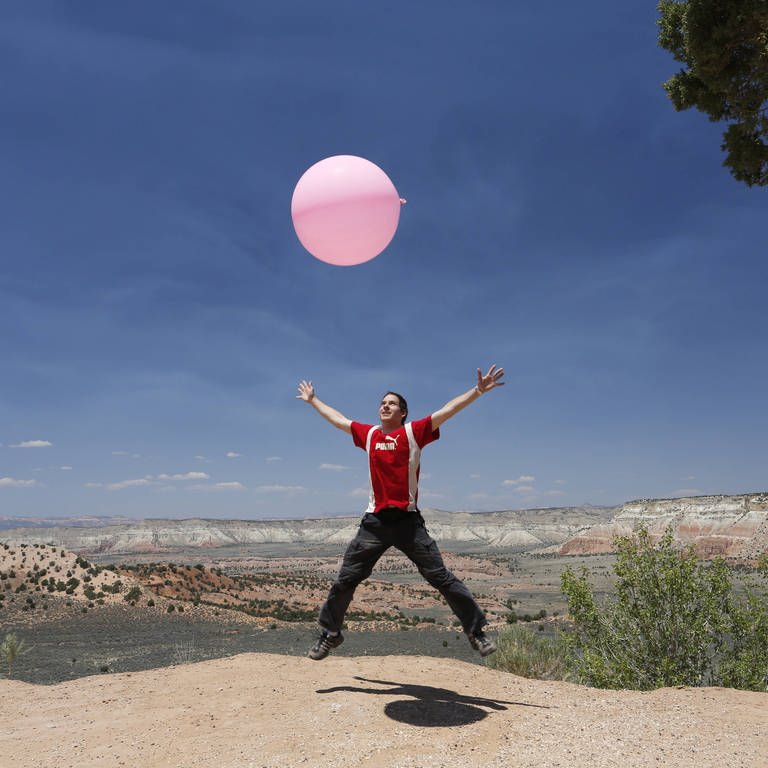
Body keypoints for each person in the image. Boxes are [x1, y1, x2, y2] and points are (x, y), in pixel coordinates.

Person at [296, 364, 505, 661]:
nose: (384, 406)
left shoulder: (413, 432)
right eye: (382, 403)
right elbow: (339, 420)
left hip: (408, 521)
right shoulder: (368, 435)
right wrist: (313, 400)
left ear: (402, 412)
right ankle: (330, 633)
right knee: (346, 579)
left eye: (391, 403)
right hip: (375, 523)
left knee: (441, 577)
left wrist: (478, 391)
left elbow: (447, 411)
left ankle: (476, 632)